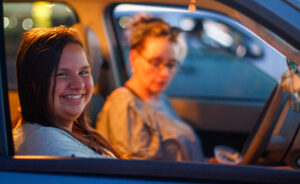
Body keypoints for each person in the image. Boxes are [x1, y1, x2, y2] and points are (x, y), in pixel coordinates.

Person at [96, 14, 204, 162]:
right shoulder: (125, 104)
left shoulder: (160, 98)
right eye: (155, 62)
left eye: (171, 65)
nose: (165, 73)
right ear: (134, 58)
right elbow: (137, 172)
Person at [13, 26, 123, 159]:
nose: (79, 85)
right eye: (61, 74)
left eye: (83, 72)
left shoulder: (73, 132)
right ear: (33, 82)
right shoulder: (44, 141)